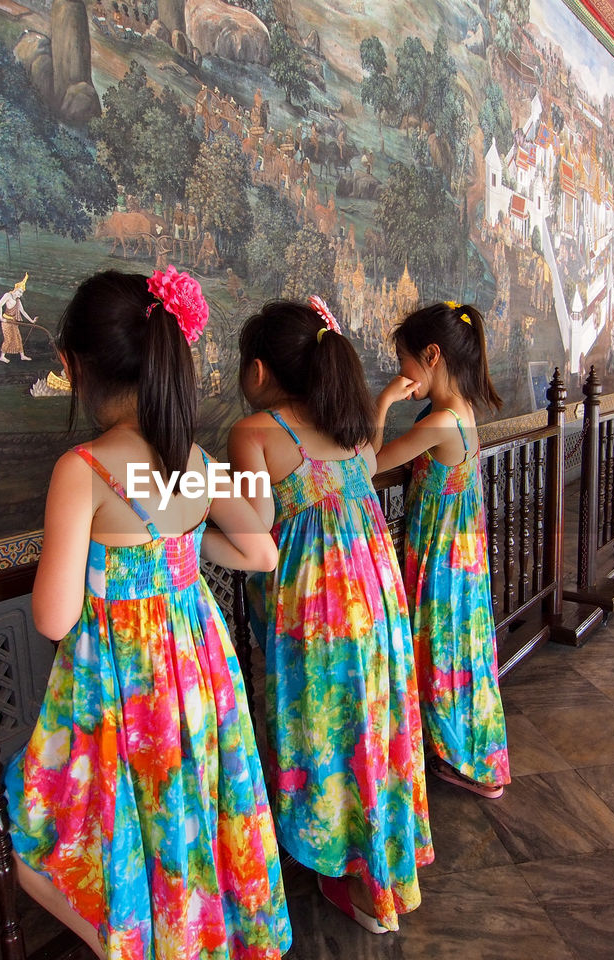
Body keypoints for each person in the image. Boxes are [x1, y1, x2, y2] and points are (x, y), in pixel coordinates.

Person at [0, 268, 291, 960]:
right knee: (184, 816)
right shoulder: (195, 465)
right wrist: (181, 548)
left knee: (16, 820)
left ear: (71, 366)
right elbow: (262, 552)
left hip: (120, 686)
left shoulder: (83, 469)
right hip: (197, 670)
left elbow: (54, 618)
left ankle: (128, 944)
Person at [227, 297, 432, 936]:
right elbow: (367, 471)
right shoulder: (344, 428)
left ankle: (345, 873)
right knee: (372, 730)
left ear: (257, 371)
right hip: (377, 607)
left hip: (313, 619)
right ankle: (384, 875)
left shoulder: (254, 433)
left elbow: (254, 533)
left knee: (325, 736)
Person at [373, 300, 510, 799]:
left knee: (443, 656)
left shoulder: (439, 423)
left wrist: (384, 402)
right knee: (464, 655)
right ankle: (475, 755)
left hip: (441, 560)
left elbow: (366, 464)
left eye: (404, 361)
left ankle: (466, 760)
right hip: (462, 557)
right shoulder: (460, 411)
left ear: (431, 355)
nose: (401, 372)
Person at [0, 274, 35, 362]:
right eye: (20, 292)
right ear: (16, 289)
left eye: (22, 293)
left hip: (13, 321)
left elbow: (23, 312)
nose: (20, 294)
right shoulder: (8, 295)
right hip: (6, 321)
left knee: (18, 337)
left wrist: (31, 321)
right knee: (8, 338)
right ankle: (2, 356)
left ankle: (22, 355)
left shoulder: (18, 300)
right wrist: (1, 318)